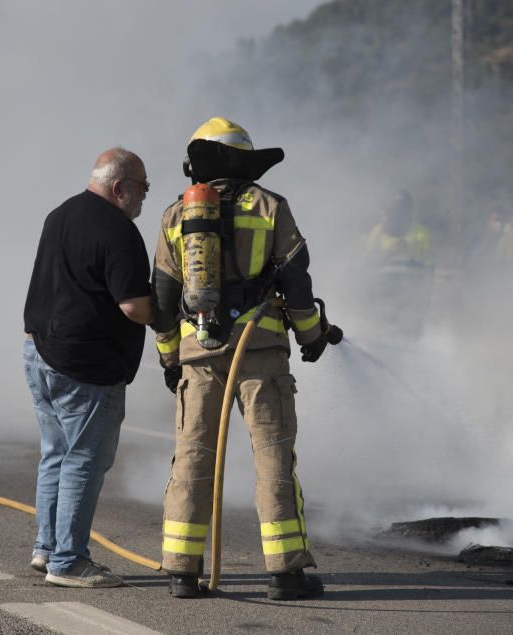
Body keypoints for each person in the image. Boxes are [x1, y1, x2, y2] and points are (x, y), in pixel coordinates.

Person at [151, 117, 336, 601]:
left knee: (192, 458)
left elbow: (163, 301)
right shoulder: (272, 207)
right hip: (260, 355)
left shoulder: (176, 216)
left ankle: (181, 573)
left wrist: (172, 360)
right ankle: (285, 573)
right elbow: (298, 284)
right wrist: (312, 335)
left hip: (198, 356)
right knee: (272, 457)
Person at [22, 147, 154, 588]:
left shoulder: (59, 215)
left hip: (40, 354)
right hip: (86, 367)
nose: (144, 200)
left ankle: (47, 549)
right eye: (143, 189)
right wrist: (173, 311)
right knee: (83, 459)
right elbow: (134, 306)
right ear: (121, 188)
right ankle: (69, 562)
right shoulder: (118, 230)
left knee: (56, 454)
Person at [364, 190, 432, 265]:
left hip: (414, 275)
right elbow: (368, 263)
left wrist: (410, 254)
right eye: (397, 207)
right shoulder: (378, 232)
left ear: (411, 210)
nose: (400, 211)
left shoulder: (422, 233)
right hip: (384, 276)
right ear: (391, 209)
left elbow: (430, 263)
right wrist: (390, 252)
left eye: (404, 207)